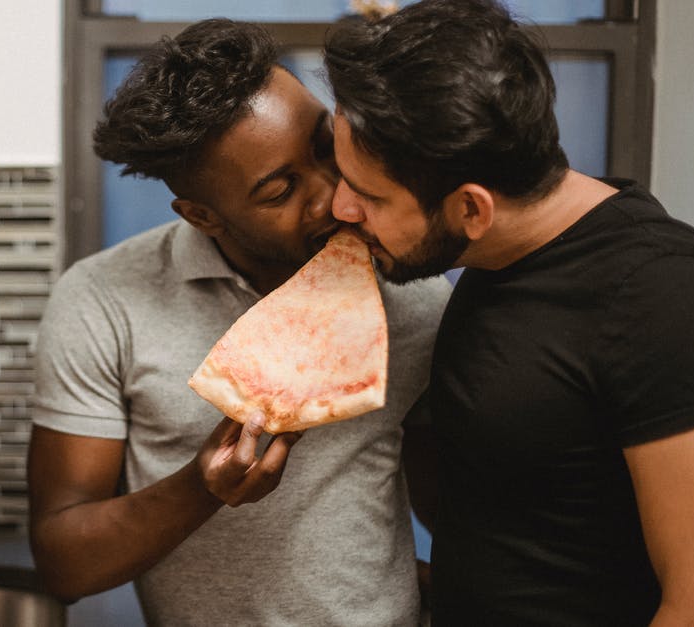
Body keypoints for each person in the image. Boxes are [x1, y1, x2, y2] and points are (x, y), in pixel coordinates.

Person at [27, 18, 452, 626]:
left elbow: (453, 512)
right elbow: (65, 565)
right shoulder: (103, 301)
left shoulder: (415, 297)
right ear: (203, 215)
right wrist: (202, 490)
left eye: (326, 148)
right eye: (281, 191)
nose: (334, 196)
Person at [324, 1, 694, 625]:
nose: (340, 207)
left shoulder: (662, 298)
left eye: (368, 194)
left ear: (472, 210)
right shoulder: (498, 256)